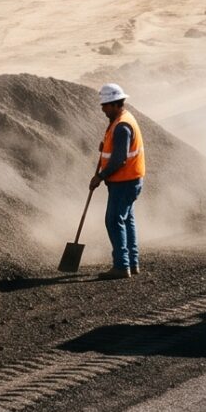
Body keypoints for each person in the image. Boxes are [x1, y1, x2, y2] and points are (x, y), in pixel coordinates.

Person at [88, 83, 145, 279]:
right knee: (126, 220)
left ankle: (121, 266)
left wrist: (100, 177)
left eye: (105, 105)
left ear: (114, 104)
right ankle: (132, 263)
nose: (103, 109)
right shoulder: (122, 120)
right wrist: (106, 146)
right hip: (130, 180)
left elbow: (120, 159)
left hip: (124, 181)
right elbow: (118, 150)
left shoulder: (121, 126)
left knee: (113, 220)